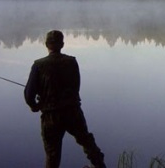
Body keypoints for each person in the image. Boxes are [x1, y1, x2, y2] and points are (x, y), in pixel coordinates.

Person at [24, 30, 107, 168]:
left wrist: (35, 106)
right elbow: (76, 87)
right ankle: (100, 165)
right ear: (62, 44)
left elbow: (28, 95)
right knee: (87, 142)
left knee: (52, 155)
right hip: (72, 112)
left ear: (46, 44)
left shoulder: (38, 65)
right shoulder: (72, 62)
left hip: (51, 116)